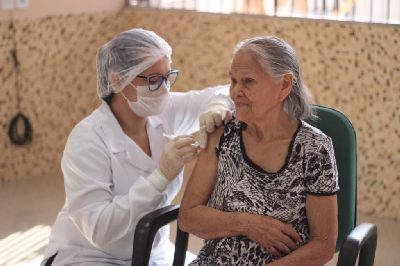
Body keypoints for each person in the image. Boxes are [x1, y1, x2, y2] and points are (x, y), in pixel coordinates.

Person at [42, 28, 233, 266]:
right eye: (153, 80)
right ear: (117, 80)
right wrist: (159, 178)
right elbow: (100, 230)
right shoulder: (88, 139)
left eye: (167, 78)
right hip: (91, 256)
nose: (163, 90)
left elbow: (226, 91)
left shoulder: (163, 110)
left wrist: (216, 106)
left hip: (153, 253)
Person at [179, 36, 339, 265]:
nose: (235, 92)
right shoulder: (222, 134)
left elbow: (322, 246)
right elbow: (188, 217)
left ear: (284, 84)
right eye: (233, 81)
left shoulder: (314, 148)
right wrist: (249, 224)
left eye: (248, 82)